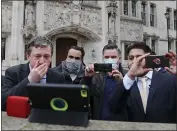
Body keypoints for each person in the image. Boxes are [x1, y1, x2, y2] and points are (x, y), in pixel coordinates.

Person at [109, 42, 176, 123]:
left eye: (139, 57)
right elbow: (113, 107)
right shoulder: (125, 82)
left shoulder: (168, 79)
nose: (135, 61)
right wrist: (130, 76)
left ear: (148, 58)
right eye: (131, 58)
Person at [2, 36, 65, 111]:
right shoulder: (13, 72)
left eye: (46, 56)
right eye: (37, 56)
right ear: (28, 56)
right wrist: (30, 80)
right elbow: (4, 103)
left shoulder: (58, 77)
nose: (42, 61)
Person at [83, 44, 126, 121]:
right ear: (103, 58)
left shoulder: (127, 76)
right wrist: (87, 78)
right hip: (100, 122)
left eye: (113, 57)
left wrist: (123, 82)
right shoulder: (97, 77)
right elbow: (85, 98)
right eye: (106, 57)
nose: (110, 59)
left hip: (121, 123)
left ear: (119, 59)